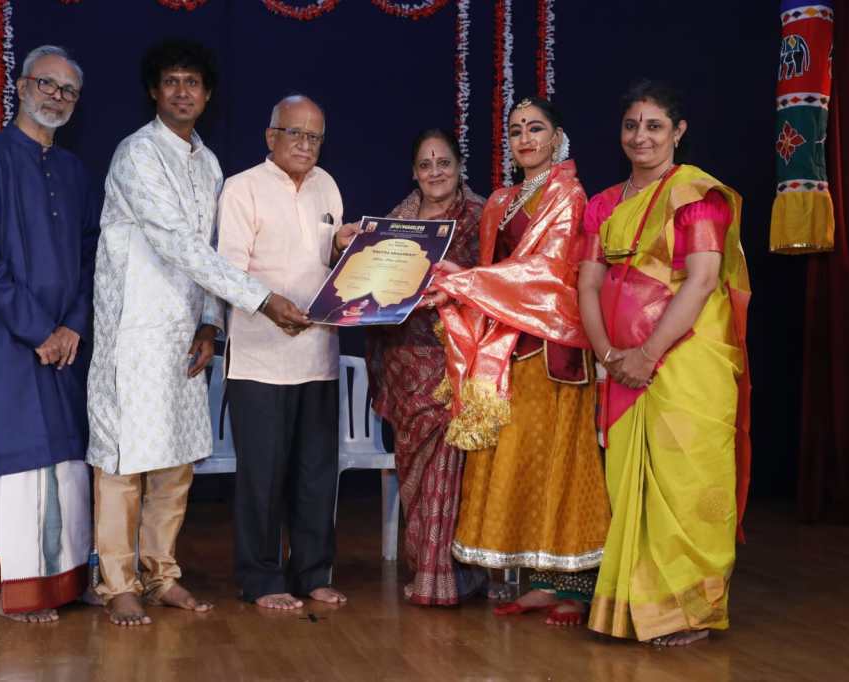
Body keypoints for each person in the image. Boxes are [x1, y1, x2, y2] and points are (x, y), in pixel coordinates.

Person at [86, 40, 309, 627]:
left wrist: (212, 321)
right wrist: (262, 300)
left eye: (192, 82)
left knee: (176, 461)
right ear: (154, 91)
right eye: (172, 81)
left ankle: (161, 574)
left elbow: (213, 250)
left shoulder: (207, 164)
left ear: (207, 95)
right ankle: (117, 582)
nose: (182, 91)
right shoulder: (136, 153)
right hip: (134, 330)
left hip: (185, 334)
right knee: (123, 459)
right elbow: (178, 244)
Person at [422, 98, 611, 625]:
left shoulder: (568, 195)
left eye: (535, 129)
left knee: (561, 463)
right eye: (516, 131)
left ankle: (575, 587)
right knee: (522, 461)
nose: (525, 138)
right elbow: (495, 270)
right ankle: (540, 583)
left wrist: (462, 282)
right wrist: (460, 286)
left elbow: (547, 272)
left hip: (554, 345)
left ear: (557, 138)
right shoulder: (501, 201)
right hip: (506, 346)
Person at [578, 80, 751, 646]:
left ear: (678, 132)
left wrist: (648, 355)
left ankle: (691, 612)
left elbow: (701, 280)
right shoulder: (604, 204)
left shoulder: (696, 196)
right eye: (632, 125)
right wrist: (608, 355)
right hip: (621, 367)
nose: (641, 136)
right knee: (631, 488)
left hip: (686, 359)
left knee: (685, 481)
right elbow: (588, 283)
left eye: (654, 126)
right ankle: (637, 608)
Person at [0, 45, 97, 623]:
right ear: (20, 86)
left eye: (68, 90)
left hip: (66, 344)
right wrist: (39, 331)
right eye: (47, 84)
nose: (56, 97)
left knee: (67, 463)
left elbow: (90, 259)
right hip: (7, 342)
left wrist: (73, 326)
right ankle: (21, 589)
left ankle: (65, 580)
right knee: (23, 465)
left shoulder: (74, 171)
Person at [217, 95, 357, 610]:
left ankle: (313, 573)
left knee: (316, 474)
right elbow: (227, 272)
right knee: (263, 477)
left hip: (318, 355)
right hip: (260, 359)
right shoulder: (242, 188)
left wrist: (342, 248)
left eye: (314, 136)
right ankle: (261, 579)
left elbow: (329, 265)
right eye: (295, 133)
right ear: (270, 136)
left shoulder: (327, 186)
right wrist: (270, 305)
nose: (305, 144)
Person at [364, 129, 487, 606]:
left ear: (459, 167)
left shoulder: (480, 218)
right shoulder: (396, 224)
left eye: (443, 163)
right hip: (405, 362)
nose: (435, 172)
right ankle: (427, 565)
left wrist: (455, 290)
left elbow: (494, 283)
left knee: (452, 467)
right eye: (425, 164)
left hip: (455, 358)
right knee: (415, 469)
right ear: (414, 173)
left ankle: (452, 575)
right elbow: (370, 287)